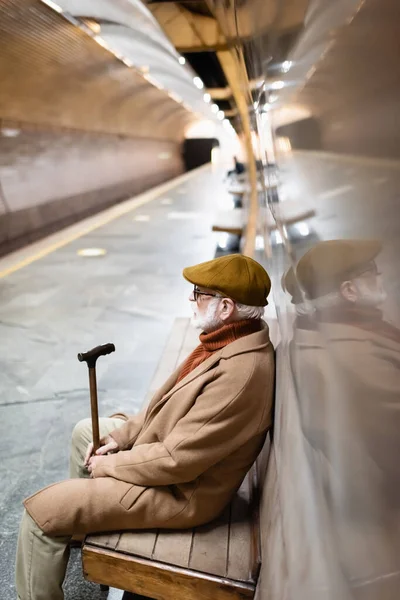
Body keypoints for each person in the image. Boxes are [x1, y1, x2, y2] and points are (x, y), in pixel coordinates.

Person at [15, 253, 275, 600]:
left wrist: (109, 464)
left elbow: (176, 461)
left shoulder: (240, 375)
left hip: (181, 494)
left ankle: (67, 521)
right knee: (86, 434)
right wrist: (119, 438)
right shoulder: (226, 341)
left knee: (41, 516)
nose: (191, 299)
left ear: (226, 307)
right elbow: (163, 407)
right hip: (169, 463)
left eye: (199, 293)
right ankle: (84, 525)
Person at [293, 239, 400, 599]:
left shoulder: (349, 333)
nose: (380, 276)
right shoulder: (356, 356)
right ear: (350, 291)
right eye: (371, 273)